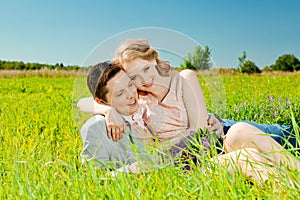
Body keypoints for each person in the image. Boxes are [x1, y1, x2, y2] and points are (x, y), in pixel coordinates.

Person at [79, 61, 300, 182]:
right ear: (102, 100)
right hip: (190, 167)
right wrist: (108, 112)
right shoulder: (114, 128)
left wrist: (108, 109)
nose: (130, 94)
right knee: (245, 157)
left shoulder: (140, 100)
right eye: (119, 93)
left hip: (210, 139)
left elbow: (84, 102)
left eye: (129, 84)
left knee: (244, 132)